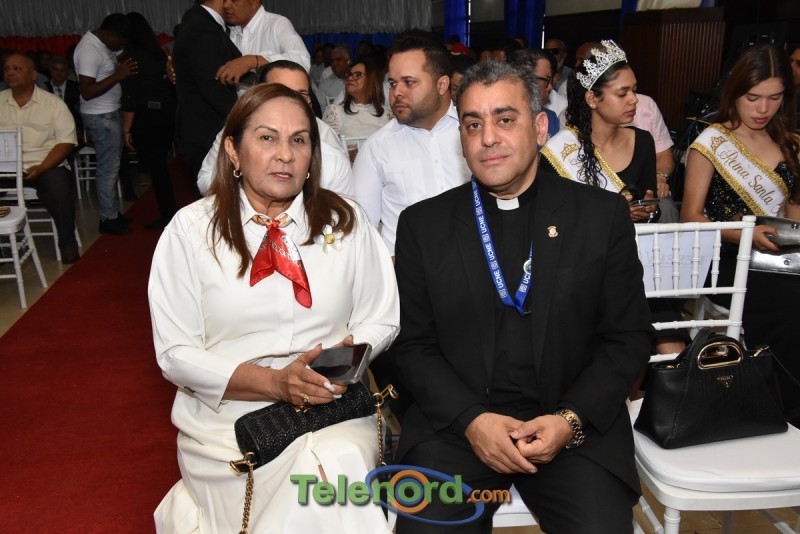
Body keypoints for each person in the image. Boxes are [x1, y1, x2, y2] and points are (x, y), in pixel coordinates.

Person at [392, 59, 652, 533]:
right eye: (473, 124)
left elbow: (628, 338)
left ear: (539, 128)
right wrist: (473, 422)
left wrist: (568, 420)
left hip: (572, 428)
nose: (488, 138)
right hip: (457, 428)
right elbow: (412, 347)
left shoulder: (600, 216)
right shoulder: (423, 226)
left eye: (505, 119)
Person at [148, 84, 399, 533]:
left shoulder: (346, 221)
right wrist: (274, 383)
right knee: (316, 487)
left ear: (312, 155)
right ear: (233, 151)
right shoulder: (189, 232)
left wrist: (332, 369)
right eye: (267, 138)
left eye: (299, 140)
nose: (285, 154)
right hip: (225, 419)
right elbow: (174, 352)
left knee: (333, 463)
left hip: (331, 407)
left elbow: (381, 315)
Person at [540, 40, 686, 357]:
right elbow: (551, 224)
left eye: (634, 90)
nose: (634, 100)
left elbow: (649, 205)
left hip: (637, 258)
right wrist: (615, 213)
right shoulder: (560, 152)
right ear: (592, 98)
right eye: (623, 93)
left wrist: (646, 209)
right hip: (582, 266)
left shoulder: (643, 141)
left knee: (671, 341)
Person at [681, 43, 800, 426]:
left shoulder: (791, 143)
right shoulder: (712, 142)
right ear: (735, 93)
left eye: (774, 98)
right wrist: (746, 236)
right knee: (789, 298)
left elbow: (792, 216)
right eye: (753, 98)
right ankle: (783, 401)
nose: (763, 109)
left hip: (777, 254)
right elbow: (691, 218)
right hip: (724, 257)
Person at [352, 30, 471, 256]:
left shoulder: (474, 133)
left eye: (409, 82)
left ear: (442, 85)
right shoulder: (376, 149)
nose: (397, 92)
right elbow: (362, 233)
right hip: (405, 271)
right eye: (393, 83)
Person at [197, 60, 353, 197]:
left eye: (301, 95)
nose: (292, 102)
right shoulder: (238, 129)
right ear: (258, 94)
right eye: (281, 92)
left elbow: (342, 201)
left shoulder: (326, 139)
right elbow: (205, 181)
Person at [0, 53, 80, 263]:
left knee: (59, 187)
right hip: (6, 168)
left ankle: (67, 243)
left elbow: (66, 142)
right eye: (7, 69)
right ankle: (4, 244)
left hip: (45, 164)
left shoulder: (53, 104)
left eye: (17, 69)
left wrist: (43, 167)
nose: (10, 72)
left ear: (33, 75)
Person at [74, 13, 138, 235]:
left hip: (108, 113)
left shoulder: (102, 44)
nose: (121, 46)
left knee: (112, 166)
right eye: (120, 41)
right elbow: (87, 91)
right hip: (100, 117)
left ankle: (111, 212)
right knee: (107, 170)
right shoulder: (89, 51)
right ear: (110, 34)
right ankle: (107, 219)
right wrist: (118, 76)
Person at [173, 0, 241, 186]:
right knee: (218, 196)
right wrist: (244, 118)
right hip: (208, 131)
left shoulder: (202, 22)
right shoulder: (202, 27)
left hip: (204, 127)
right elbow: (212, 86)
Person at [121, 12, 178, 231]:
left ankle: (168, 215)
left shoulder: (132, 57)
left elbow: (131, 95)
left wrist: (126, 129)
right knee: (160, 165)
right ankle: (169, 212)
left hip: (147, 116)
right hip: (167, 113)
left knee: (157, 168)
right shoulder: (160, 52)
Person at [216, 0, 311, 88]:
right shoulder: (227, 31)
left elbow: (302, 61)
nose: (226, 5)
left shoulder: (277, 24)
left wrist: (252, 61)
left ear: (254, 1)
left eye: (234, 0)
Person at [322, 57, 393, 151]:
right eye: (350, 74)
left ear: (371, 80)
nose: (350, 78)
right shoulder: (335, 112)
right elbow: (328, 150)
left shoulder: (388, 114)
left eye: (357, 75)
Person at [510, 49, 560, 139]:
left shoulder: (551, 119)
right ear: (525, 80)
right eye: (547, 80)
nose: (550, 87)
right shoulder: (502, 118)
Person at [45, 56, 82, 137]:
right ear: (50, 70)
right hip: (48, 131)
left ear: (67, 72)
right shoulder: (43, 88)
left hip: (74, 130)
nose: (59, 73)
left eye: (62, 70)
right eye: (56, 70)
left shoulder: (76, 87)